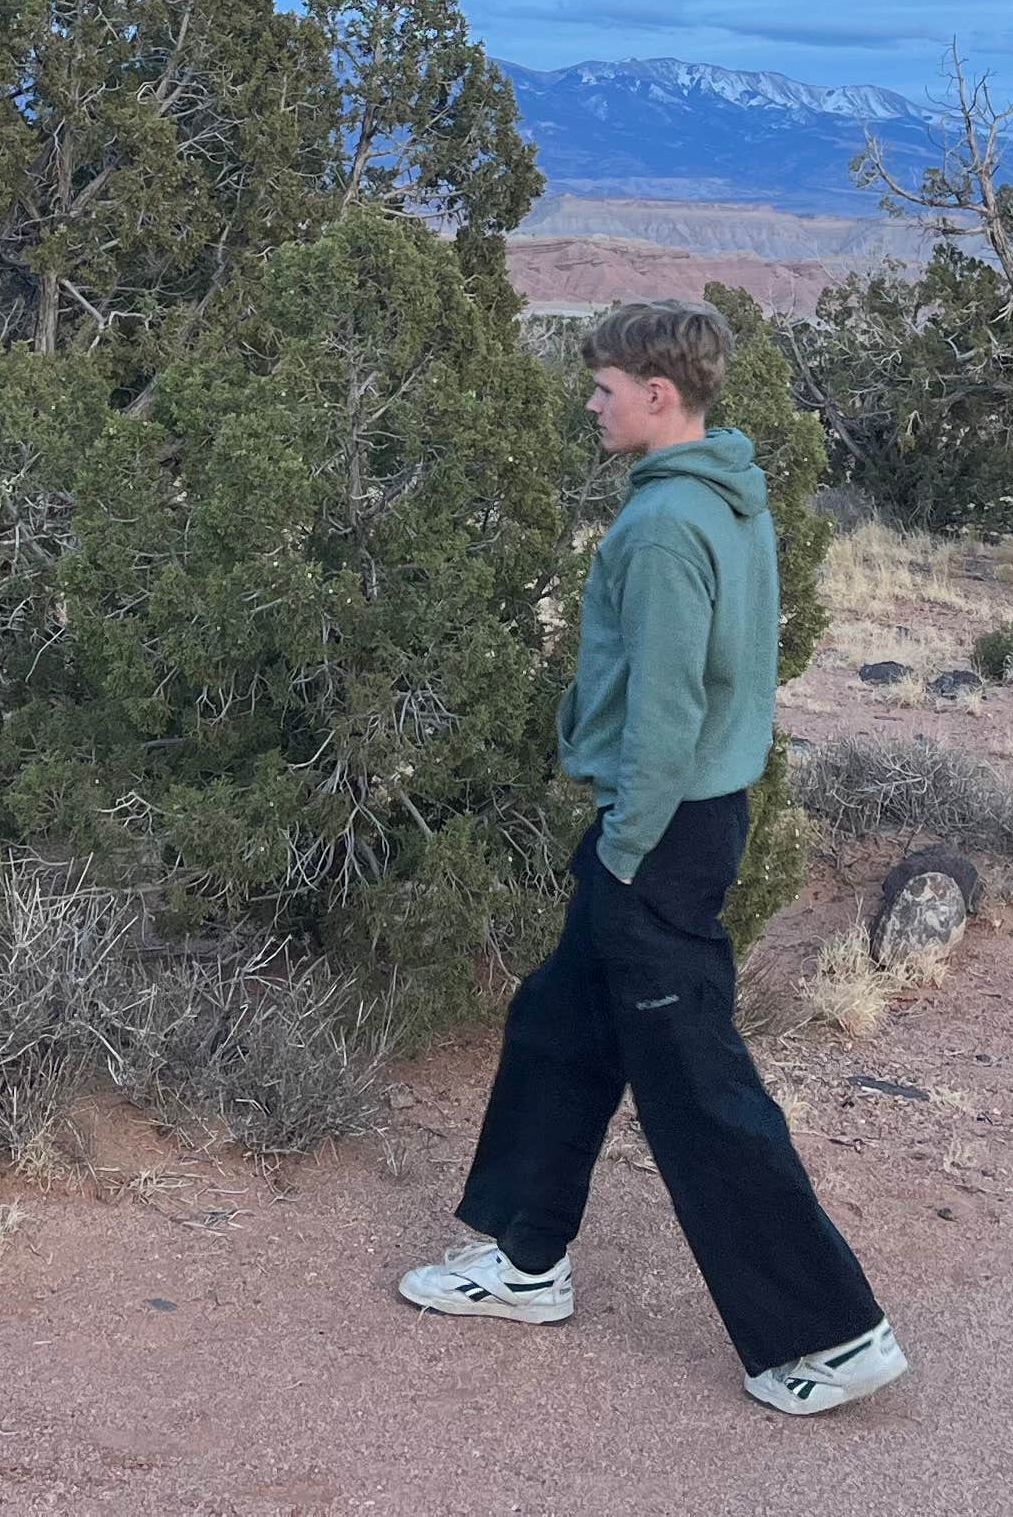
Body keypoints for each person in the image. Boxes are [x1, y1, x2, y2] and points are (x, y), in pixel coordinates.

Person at [395, 297, 906, 1417]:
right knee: (556, 1027)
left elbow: (669, 703)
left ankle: (828, 1334)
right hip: (681, 817)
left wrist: (624, 848)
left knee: (698, 1088)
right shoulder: (725, 489)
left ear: (656, 393)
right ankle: (527, 1263)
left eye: (605, 385)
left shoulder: (667, 525)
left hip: (658, 828)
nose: (592, 399)